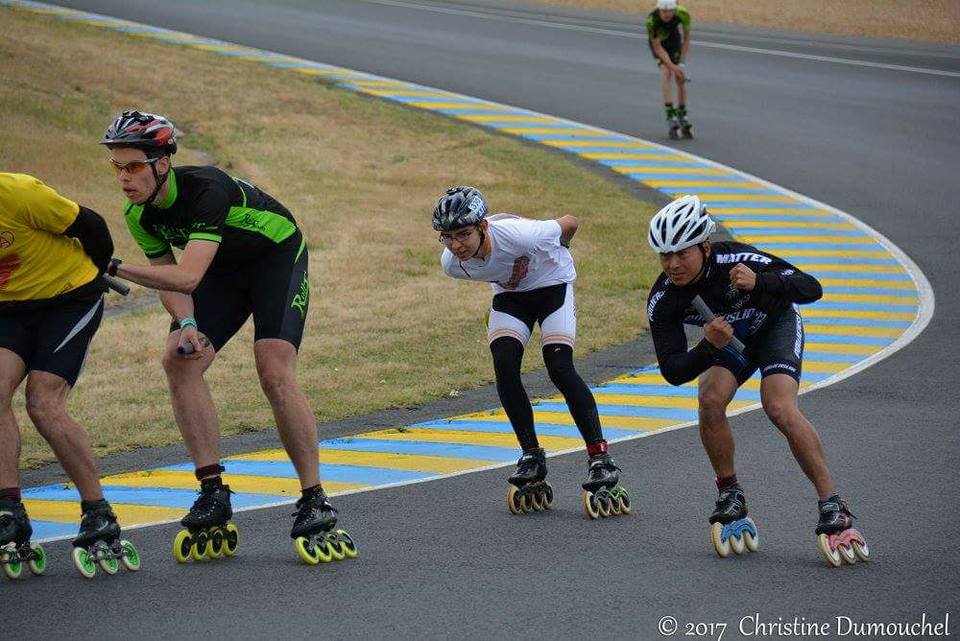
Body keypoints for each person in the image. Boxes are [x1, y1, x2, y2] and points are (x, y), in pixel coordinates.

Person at [99, 110, 351, 561]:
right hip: (223, 272)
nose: (124, 177)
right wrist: (190, 326)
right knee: (179, 358)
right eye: (117, 166)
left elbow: (188, 276)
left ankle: (314, 494)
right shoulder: (140, 213)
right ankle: (213, 490)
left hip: (275, 261)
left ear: (162, 163)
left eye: (133, 165)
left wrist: (113, 266)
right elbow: (165, 278)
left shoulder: (207, 191)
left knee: (274, 371)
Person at [645, 194, 870, 566]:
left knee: (778, 405)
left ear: (704, 245)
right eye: (664, 256)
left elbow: (811, 287)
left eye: (681, 253)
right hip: (729, 339)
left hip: (774, 325)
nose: (672, 265)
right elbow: (672, 371)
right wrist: (706, 349)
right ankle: (730, 493)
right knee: (709, 400)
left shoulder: (738, 259)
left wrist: (762, 282)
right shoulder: (664, 298)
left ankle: (833, 504)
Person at [434, 186, 629, 519]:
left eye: (464, 234)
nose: (456, 245)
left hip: (553, 285)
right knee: (505, 365)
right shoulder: (452, 264)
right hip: (512, 297)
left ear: (483, 226)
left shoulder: (520, 235)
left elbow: (570, 222)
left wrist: (559, 249)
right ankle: (531, 455)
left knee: (559, 366)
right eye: (448, 237)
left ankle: (600, 457)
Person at [0, 172, 136, 576]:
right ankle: (9, 509)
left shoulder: (18, 193)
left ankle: (98, 510)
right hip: (9, 308)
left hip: (68, 298)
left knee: (43, 402)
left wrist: (95, 272)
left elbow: (91, 225)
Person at [646, 0, 693, 138]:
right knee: (666, 73)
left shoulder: (683, 14)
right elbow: (657, 47)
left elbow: (686, 39)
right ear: (659, 9)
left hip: (674, 41)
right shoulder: (651, 20)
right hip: (659, 45)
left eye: (670, 11)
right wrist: (673, 67)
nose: (667, 14)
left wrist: (682, 64)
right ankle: (670, 115)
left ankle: (682, 114)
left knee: (680, 78)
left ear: (675, 9)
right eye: (663, 11)